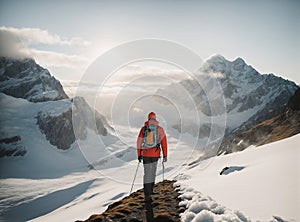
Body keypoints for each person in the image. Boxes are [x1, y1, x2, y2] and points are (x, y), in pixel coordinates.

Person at [137, 112, 168, 201]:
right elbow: (164, 143)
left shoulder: (144, 129)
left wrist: (139, 154)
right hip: (155, 154)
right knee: (152, 172)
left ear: (148, 119)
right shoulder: (159, 129)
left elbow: (139, 142)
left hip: (145, 154)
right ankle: (150, 191)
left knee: (147, 173)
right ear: (155, 118)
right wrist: (165, 155)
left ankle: (146, 194)